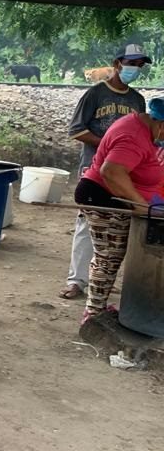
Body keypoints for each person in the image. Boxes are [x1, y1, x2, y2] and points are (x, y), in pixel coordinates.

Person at [59, 44, 149, 300]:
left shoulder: (137, 100)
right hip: (94, 169)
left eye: (140, 65)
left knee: (118, 225)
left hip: (124, 173)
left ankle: (103, 277)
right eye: (131, 63)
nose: (135, 68)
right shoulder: (95, 94)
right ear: (117, 63)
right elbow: (76, 130)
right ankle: (77, 280)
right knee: (87, 224)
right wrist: (110, 145)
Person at [74, 97, 164, 323]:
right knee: (109, 256)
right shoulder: (133, 136)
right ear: (161, 124)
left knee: (110, 255)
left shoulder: (141, 126)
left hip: (115, 196)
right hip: (102, 196)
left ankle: (98, 307)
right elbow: (112, 172)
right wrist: (140, 205)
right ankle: (93, 314)